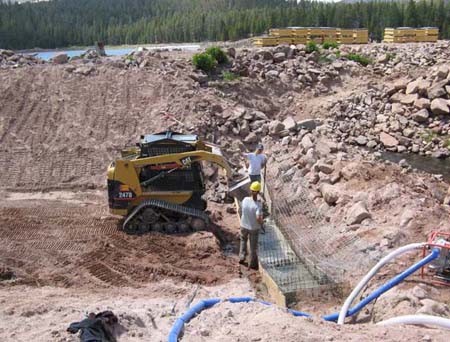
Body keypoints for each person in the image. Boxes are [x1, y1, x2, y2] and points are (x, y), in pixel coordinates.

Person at [239, 181, 264, 270]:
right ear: (258, 192)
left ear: (251, 190)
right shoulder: (258, 205)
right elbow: (258, 218)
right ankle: (252, 264)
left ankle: (242, 257)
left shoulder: (245, 200)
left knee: (243, 240)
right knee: (253, 246)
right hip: (253, 228)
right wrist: (262, 223)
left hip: (243, 225)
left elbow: (241, 209)